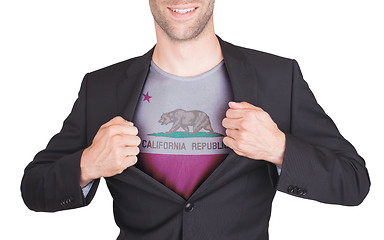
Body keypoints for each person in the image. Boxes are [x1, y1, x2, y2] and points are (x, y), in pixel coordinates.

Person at [21, 0, 370, 239]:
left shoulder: (278, 78)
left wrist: (280, 149)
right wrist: (87, 165)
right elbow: (34, 188)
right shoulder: (102, 87)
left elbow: (353, 181)